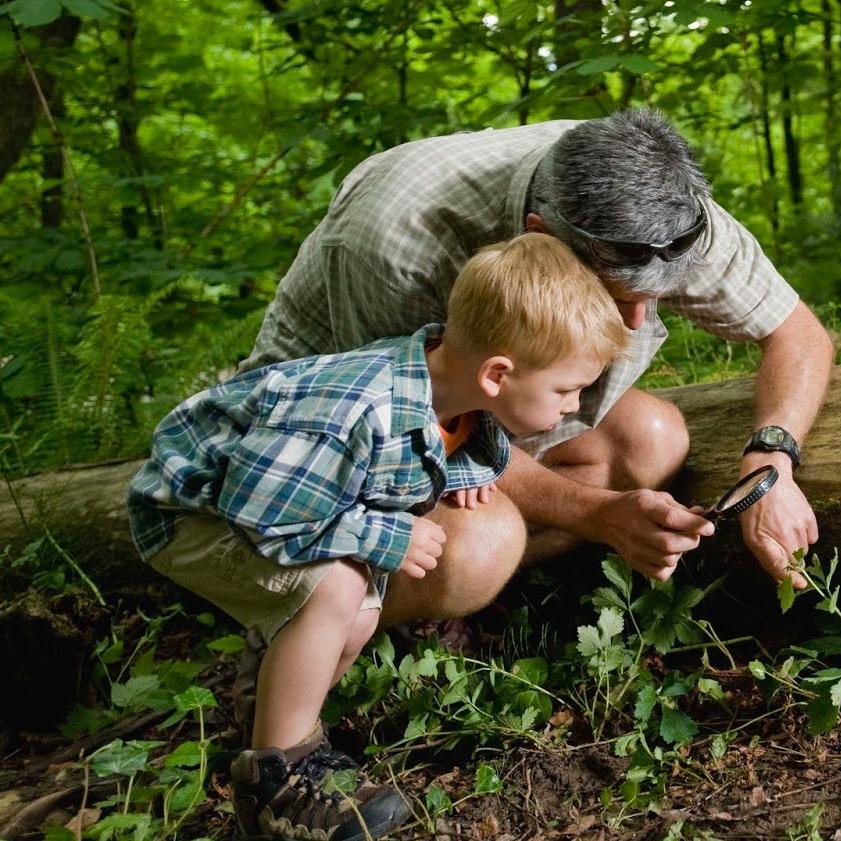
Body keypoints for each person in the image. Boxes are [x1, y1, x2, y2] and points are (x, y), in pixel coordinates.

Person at [128, 234, 636, 841]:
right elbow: (259, 508)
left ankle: (282, 728)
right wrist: (385, 535)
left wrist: (465, 474)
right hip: (192, 514)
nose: (576, 406)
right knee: (337, 586)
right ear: (498, 373)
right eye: (566, 390)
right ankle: (275, 786)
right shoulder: (356, 406)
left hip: (275, 505)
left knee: (362, 612)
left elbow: (459, 450)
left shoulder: (462, 401)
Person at [243, 108, 834, 600]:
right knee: (477, 546)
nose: (635, 322)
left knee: (651, 437)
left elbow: (797, 335)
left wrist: (770, 462)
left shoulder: (663, 204)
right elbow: (410, 428)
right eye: (615, 296)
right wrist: (597, 513)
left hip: (482, 412)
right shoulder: (404, 241)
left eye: (654, 300)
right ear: (539, 235)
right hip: (327, 449)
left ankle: (483, 596)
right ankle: (306, 622)